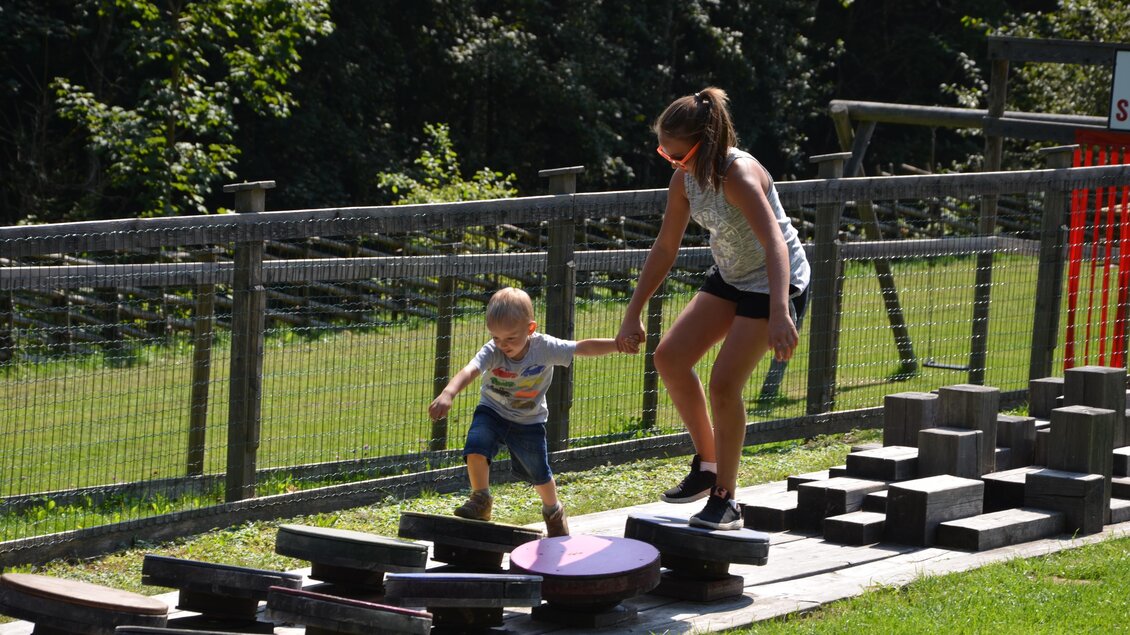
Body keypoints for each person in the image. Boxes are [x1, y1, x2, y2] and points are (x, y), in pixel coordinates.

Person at [615, 87, 810, 530]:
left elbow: (775, 244)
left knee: (724, 384)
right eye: (666, 154)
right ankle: (707, 466)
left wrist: (780, 311)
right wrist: (632, 311)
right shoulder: (684, 180)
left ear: (705, 144)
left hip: (775, 280)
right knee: (670, 357)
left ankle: (727, 498)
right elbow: (665, 248)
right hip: (732, 274)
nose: (673, 162)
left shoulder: (738, 175)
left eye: (678, 155)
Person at [429, 286, 620, 537]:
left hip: (529, 421)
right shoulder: (493, 350)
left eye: (510, 338)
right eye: (496, 337)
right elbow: (470, 370)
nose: (502, 345)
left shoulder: (545, 347)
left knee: (539, 472)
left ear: (530, 329)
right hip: (492, 411)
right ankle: (481, 499)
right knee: (476, 447)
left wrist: (617, 344)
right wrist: (448, 393)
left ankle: (553, 511)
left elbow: (581, 348)